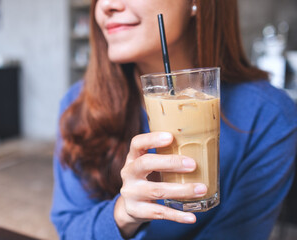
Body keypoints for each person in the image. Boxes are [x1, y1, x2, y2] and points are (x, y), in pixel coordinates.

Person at [50, 0, 297, 239]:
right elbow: (70, 229)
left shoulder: (270, 116)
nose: (106, 5)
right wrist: (122, 213)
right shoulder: (79, 105)